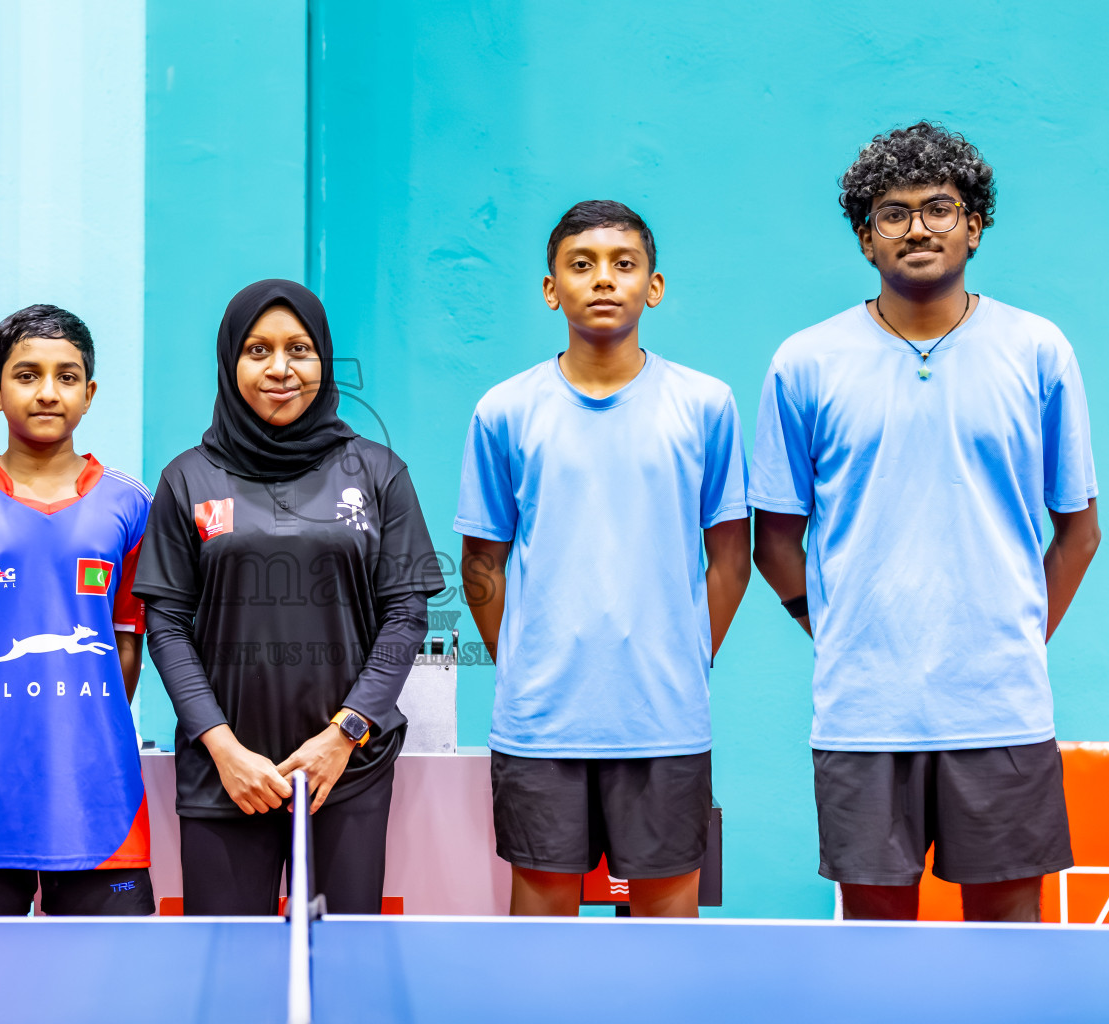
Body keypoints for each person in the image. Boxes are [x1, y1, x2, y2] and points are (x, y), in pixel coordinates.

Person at [750, 122, 1100, 922]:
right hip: (864, 712)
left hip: (1001, 708)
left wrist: (1014, 636)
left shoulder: (1037, 349)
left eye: (939, 208)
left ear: (974, 226)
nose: (917, 227)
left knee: (1011, 949)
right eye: (892, 211)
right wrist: (829, 624)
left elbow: (1079, 531)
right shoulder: (805, 361)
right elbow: (774, 537)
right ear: (864, 237)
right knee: (879, 952)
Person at [457, 200, 752, 918]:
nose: (603, 280)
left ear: (653, 285)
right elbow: (481, 569)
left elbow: (731, 561)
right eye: (581, 265)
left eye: (624, 264)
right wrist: (527, 660)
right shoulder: (504, 409)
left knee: (666, 922)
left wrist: (686, 655)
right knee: (542, 922)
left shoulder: (707, 404)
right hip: (540, 721)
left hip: (664, 718)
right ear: (551, 288)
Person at [134, 279, 445, 915]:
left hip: (346, 772)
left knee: (343, 972)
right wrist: (223, 748)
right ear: (231, 361)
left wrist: (344, 733)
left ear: (322, 360)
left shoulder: (379, 471)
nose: (280, 369)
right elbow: (165, 624)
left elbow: (406, 613)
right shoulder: (187, 476)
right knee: (225, 975)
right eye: (258, 350)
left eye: (299, 349)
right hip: (227, 778)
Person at [0, 304, 154, 916]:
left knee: (109, 996)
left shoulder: (130, 506)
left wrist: (80, 715)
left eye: (67, 376)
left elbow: (128, 641)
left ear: (90, 393)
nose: (48, 392)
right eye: (27, 375)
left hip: (100, 796)